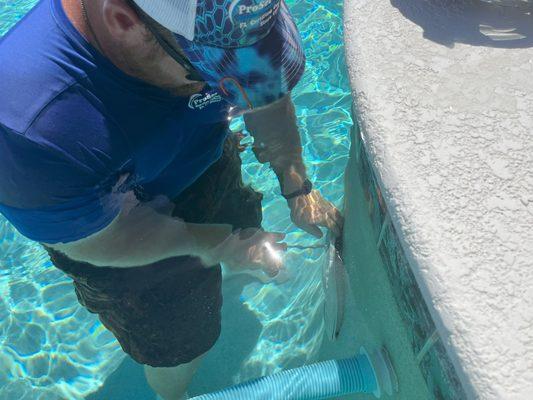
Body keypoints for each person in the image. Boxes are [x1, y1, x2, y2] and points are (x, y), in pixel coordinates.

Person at [0, 0, 343, 398]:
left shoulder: (222, 25)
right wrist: (221, 244)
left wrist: (295, 182)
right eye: (211, 69)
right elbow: (97, 243)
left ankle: (228, 278)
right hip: (111, 234)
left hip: (198, 159)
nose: (239, 80)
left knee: (240, 219)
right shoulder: (29, 128)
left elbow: (264, 85)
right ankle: (172, 394)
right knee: (178, 342)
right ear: (122, 20)